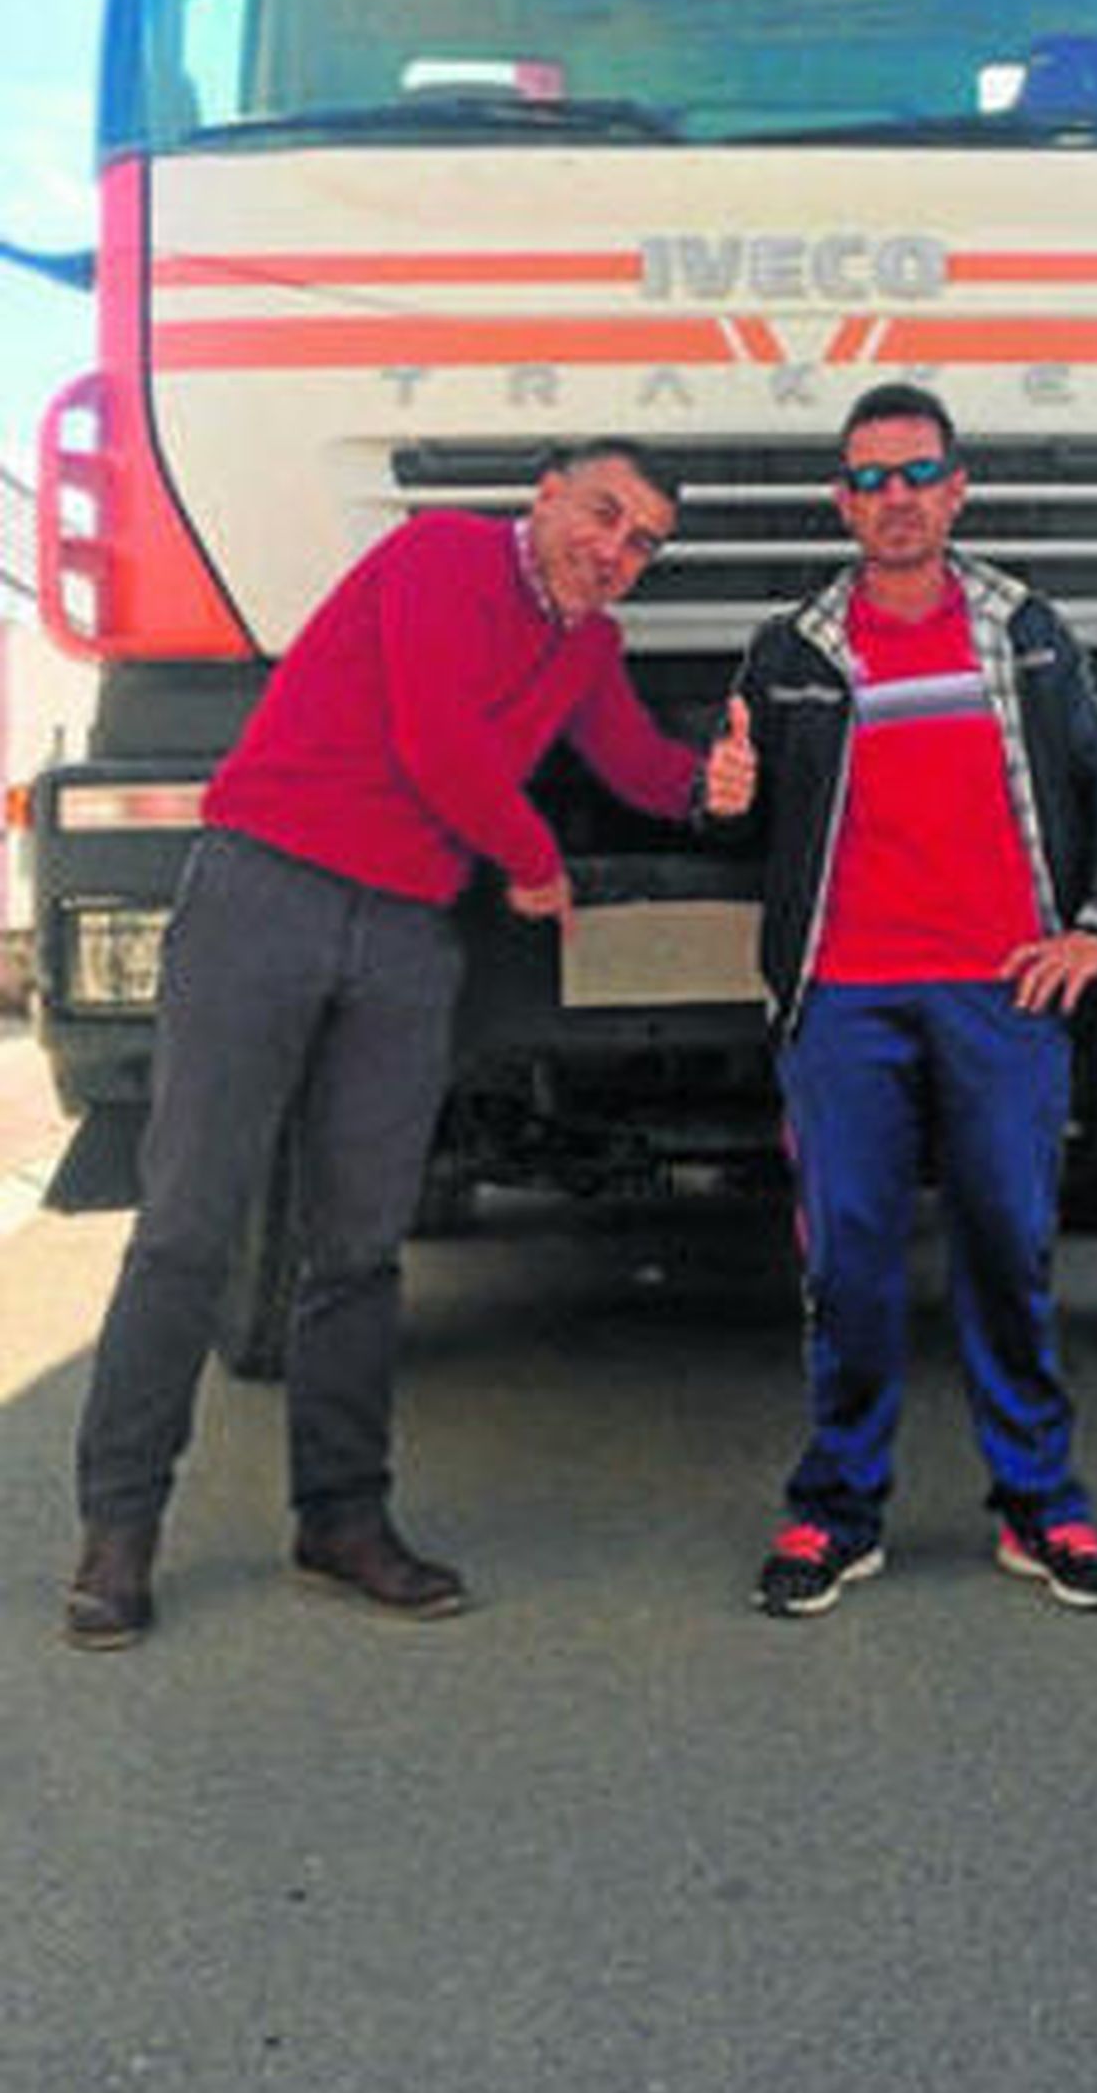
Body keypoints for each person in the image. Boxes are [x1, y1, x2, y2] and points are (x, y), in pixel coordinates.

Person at [65, 439, 756, 1648]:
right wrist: (533, 863)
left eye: (643, 542)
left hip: (403, 936)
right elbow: (435, 740)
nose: (615, 549)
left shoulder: (587, 648)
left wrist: (714, 784)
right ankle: (118, 1536)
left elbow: (637, 768)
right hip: (266, 894)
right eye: (603, 513)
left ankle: (340, 1520)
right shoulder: (439, 554)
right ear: (546, 496)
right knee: (188, 1227)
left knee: (361, 1244)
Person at [723, 382, 1097, 1618]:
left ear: (956, 489)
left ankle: (1039, 1507)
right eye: (870, 480)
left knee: (1009, 1251)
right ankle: (835, 1513)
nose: (896, 499)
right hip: (843, 1000)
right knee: (849, 1262)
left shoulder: (1026, 630)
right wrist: (720, 791)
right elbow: (741, 814)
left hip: (1000, 994)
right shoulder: (791, 646)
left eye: (917, 474)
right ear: (842, 503)